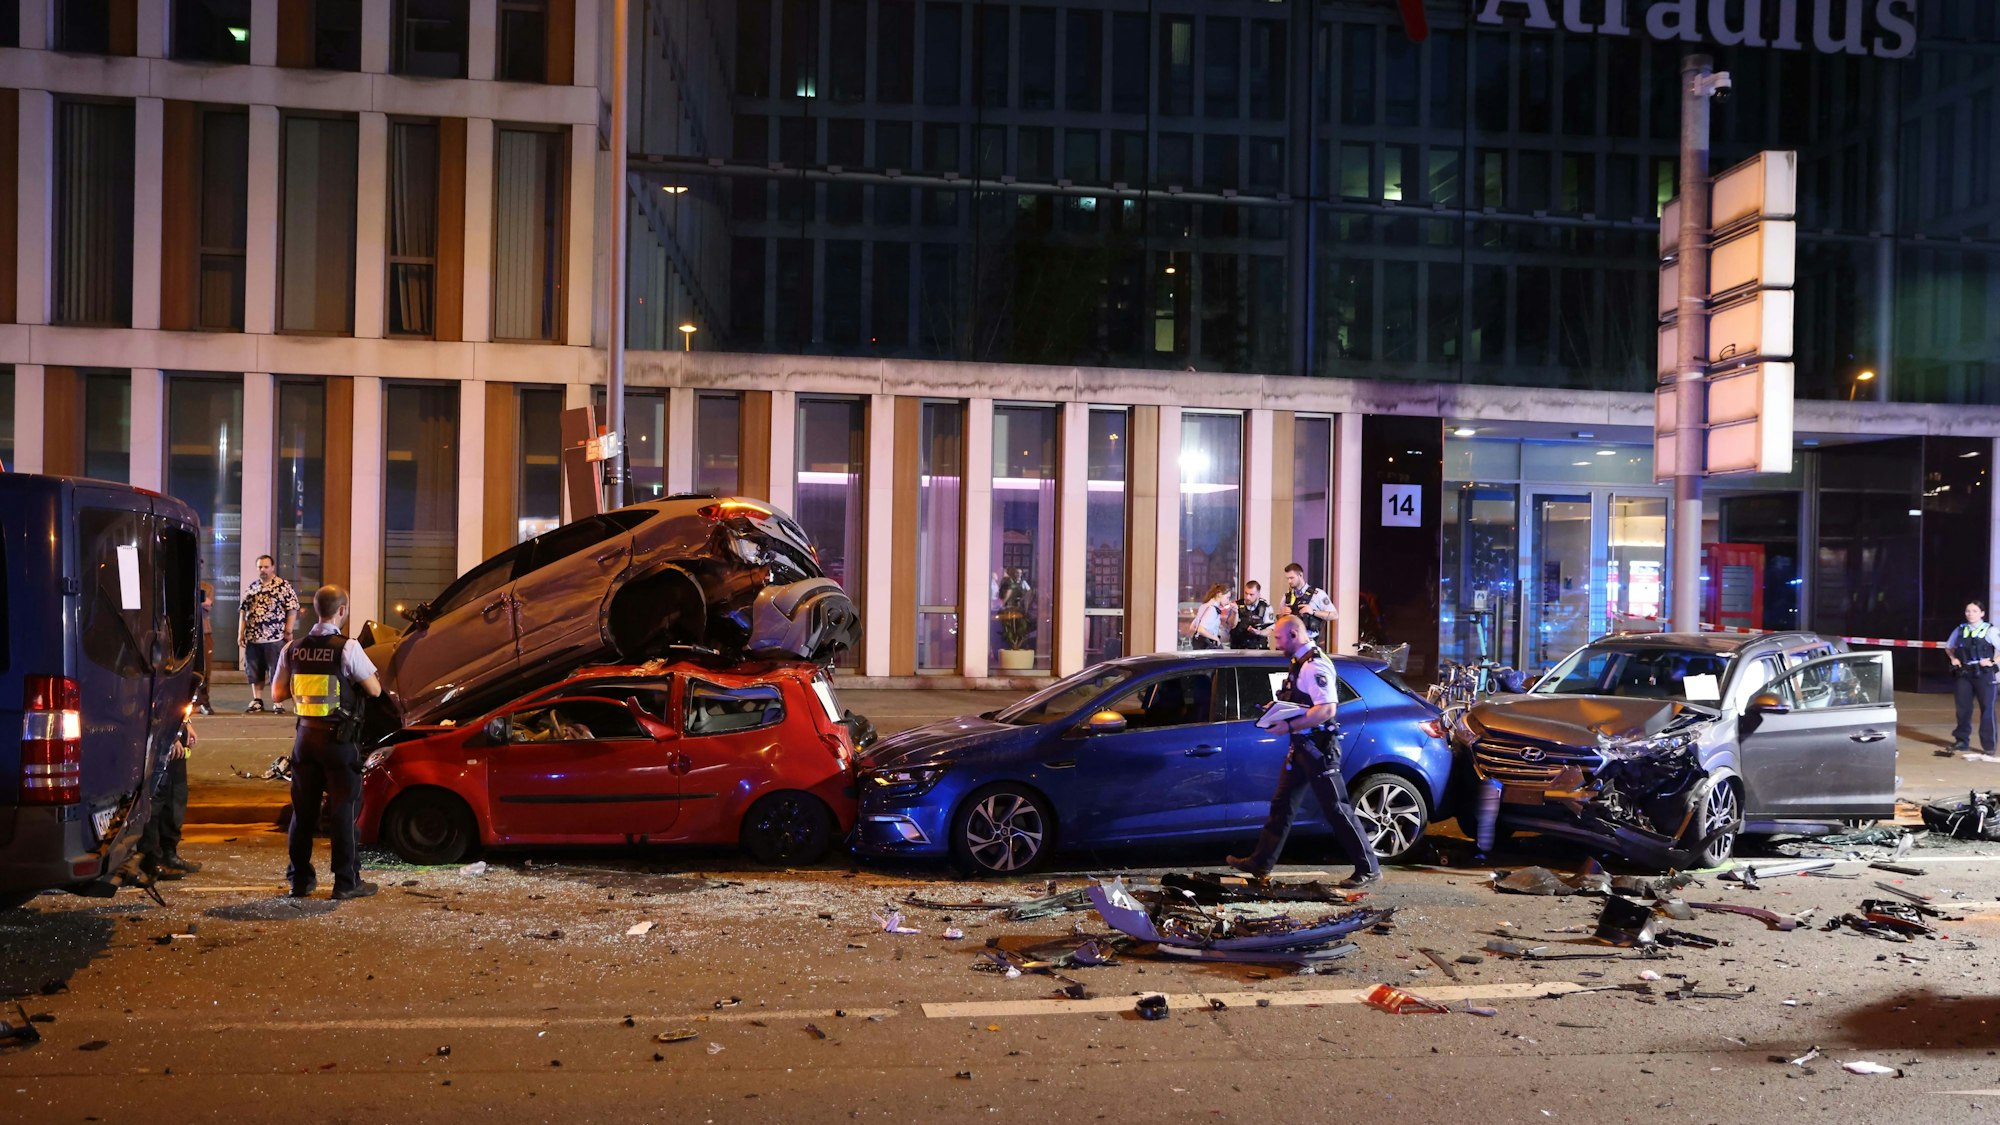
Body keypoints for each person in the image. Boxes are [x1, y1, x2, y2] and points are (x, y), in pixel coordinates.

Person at [1226, 615, 1381, 889]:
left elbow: (1325, 710)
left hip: (1318, 748)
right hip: (1302, 746)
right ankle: (1261, 862)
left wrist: (1287, 726)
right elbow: (1304, 701)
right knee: (1282, 805)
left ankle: (1368, 867)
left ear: (1295, 634)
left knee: (1336, 807)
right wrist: (1278, 709)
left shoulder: (1314, 665)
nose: (1276, 642)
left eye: (1279, 637)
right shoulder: (1302, 661)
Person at [270, 585, 384, 901]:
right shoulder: (347, 648)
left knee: (302, 813)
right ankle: (346, 883)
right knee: (343, 811)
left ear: (316, 609)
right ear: (342, 610)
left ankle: (299, 881)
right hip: (338, 741)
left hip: (305, 741)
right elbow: (374, 690)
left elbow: (277, 694)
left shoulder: (291, 649)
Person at [136, 720, 199, 880]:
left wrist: (186, 723)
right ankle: (152, 861)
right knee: (155, 802)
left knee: (174, 797)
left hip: (173, 730)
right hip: (160, 737)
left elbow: (178, 702)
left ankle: (168, 854)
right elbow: (159, 703)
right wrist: (171, 737)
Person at [240, 555, 299, 714]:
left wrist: (288, 630)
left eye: (266, 567)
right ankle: (257, 699)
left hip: (275, 638)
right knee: (254, 670)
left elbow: (292, 609)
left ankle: (277, 701)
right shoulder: (252, 587)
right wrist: (241, 633)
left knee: (276, 671)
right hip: (254, 638)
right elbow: (243, 611)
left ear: (273, 567)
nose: (263, 570)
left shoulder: (282, 586)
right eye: (260, 567)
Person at [1946, 600, 1998, 755]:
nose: (1970, 614)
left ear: (1982, 613)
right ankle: (1962, 741)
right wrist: (1953, 658)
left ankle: (1989, 746)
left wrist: (1992, 661)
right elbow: (1949, 647)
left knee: (1987, 709)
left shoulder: (1990, 630)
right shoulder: (1960, 629)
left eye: (1975, 611)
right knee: (1963, 709)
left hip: (1983, 674)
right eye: (1968, 611)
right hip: (1965, 673)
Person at [1282, 564, 1338, 650]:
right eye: (1287, 579)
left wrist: (1313, 612)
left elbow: (1334, 615)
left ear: (1300, 575)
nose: (1289, 581)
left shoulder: (1318, 594)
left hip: (1310, 645)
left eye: (1291, 578)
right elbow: (1279, 622)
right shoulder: (1287, 597)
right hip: (1291, 645)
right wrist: (1283, 615)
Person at [1232, 580, 1275, 650]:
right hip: (1238, 648)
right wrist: (1235, 613)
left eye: (1251, 594)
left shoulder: (1266, 607)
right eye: (1246, 593)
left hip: (1259, 649)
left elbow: (1269, 630)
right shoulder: (1237, 605)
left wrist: (1259, 632)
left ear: (1258, 594)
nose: (1247, 597)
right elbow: (1231, 625)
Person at [1190, 584, 1233, 650]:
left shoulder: (1204, 606)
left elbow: (1192, 627)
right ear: (1219, 594)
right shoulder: (1213, 609)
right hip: (1206, 645)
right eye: (1227, 597)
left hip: (1199, 643)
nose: (1228, 601)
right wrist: (1215, 638)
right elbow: (1201, 630)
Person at [194, 583, 214, 715]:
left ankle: (203, 702)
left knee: (205, 669)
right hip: (186, 632)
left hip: (204, 631)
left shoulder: (206, 586)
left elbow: (207, 603)